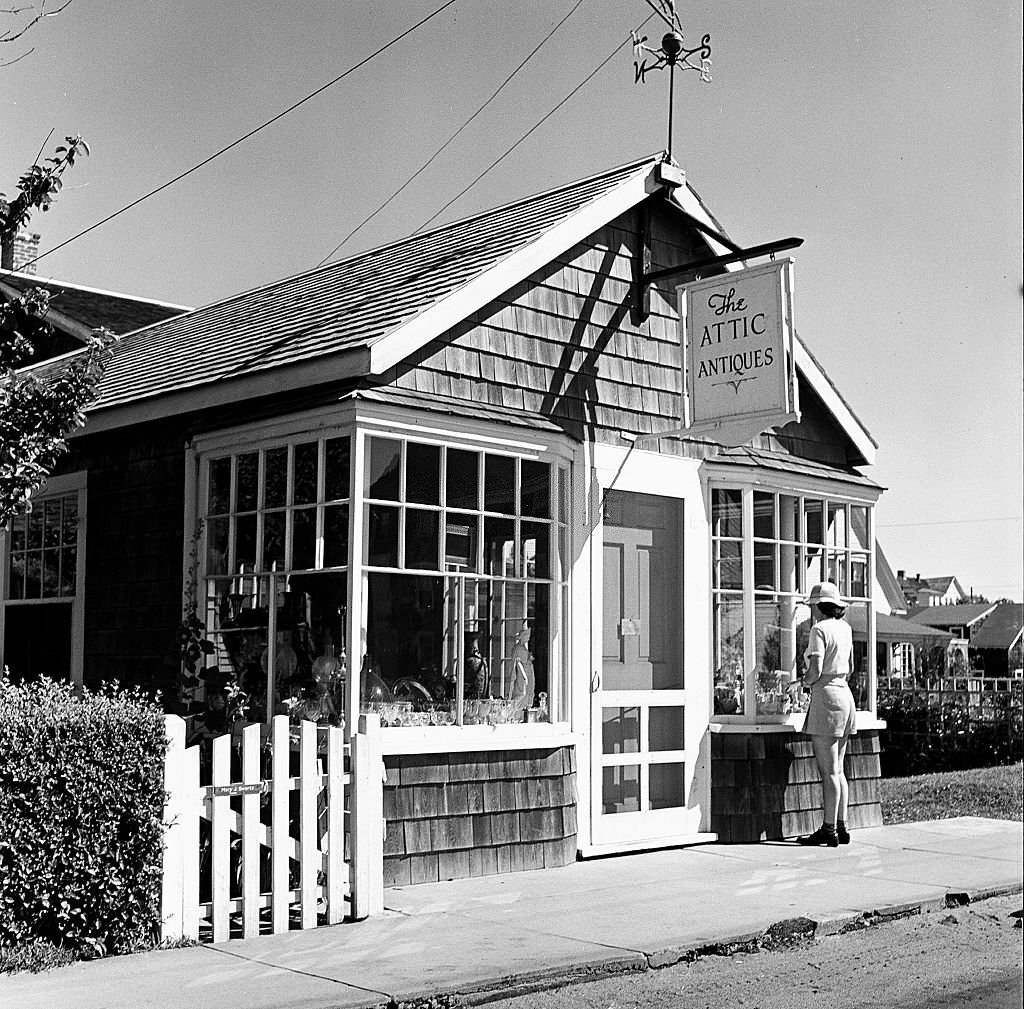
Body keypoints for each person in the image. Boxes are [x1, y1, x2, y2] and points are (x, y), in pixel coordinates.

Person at [798, 581, 856, 847]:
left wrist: (803, 682)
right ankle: (841, 825)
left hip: (827, 697)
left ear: (818, 607)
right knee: (839, 769)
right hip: (845, 695)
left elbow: (816, 670)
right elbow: (852, 666)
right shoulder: (845, 628)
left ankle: (829, 828)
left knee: (828, 770)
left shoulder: (818, 630)